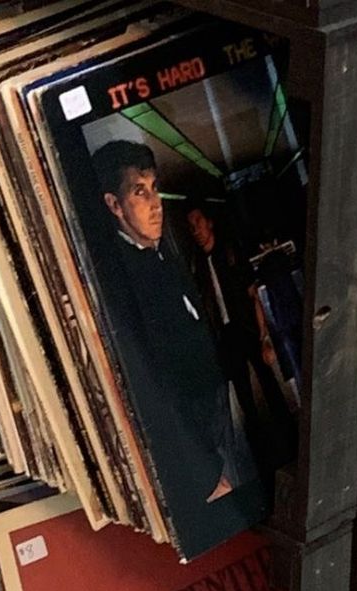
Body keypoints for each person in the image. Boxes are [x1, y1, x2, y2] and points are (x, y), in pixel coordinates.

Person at [90, 140, 237, 504]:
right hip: (195, 449)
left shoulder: (161, 255)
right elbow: (154, 388)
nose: (156, 204)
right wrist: (205, 474)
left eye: (154, 189)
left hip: (214, 413)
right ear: (115, 205)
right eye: (140, 192)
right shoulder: (122, 278)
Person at [185, 204, 293, 462]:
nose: (195, 231)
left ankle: (289, 437)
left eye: (198, 222)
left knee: (268, 384)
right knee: (244, 396)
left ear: (209, 223)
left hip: (245, 327)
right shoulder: (199, 265)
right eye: (191, 227)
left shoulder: (229, 252)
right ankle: (261, 452)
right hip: (226, 335)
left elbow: (252, 292)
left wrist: (264, 334)